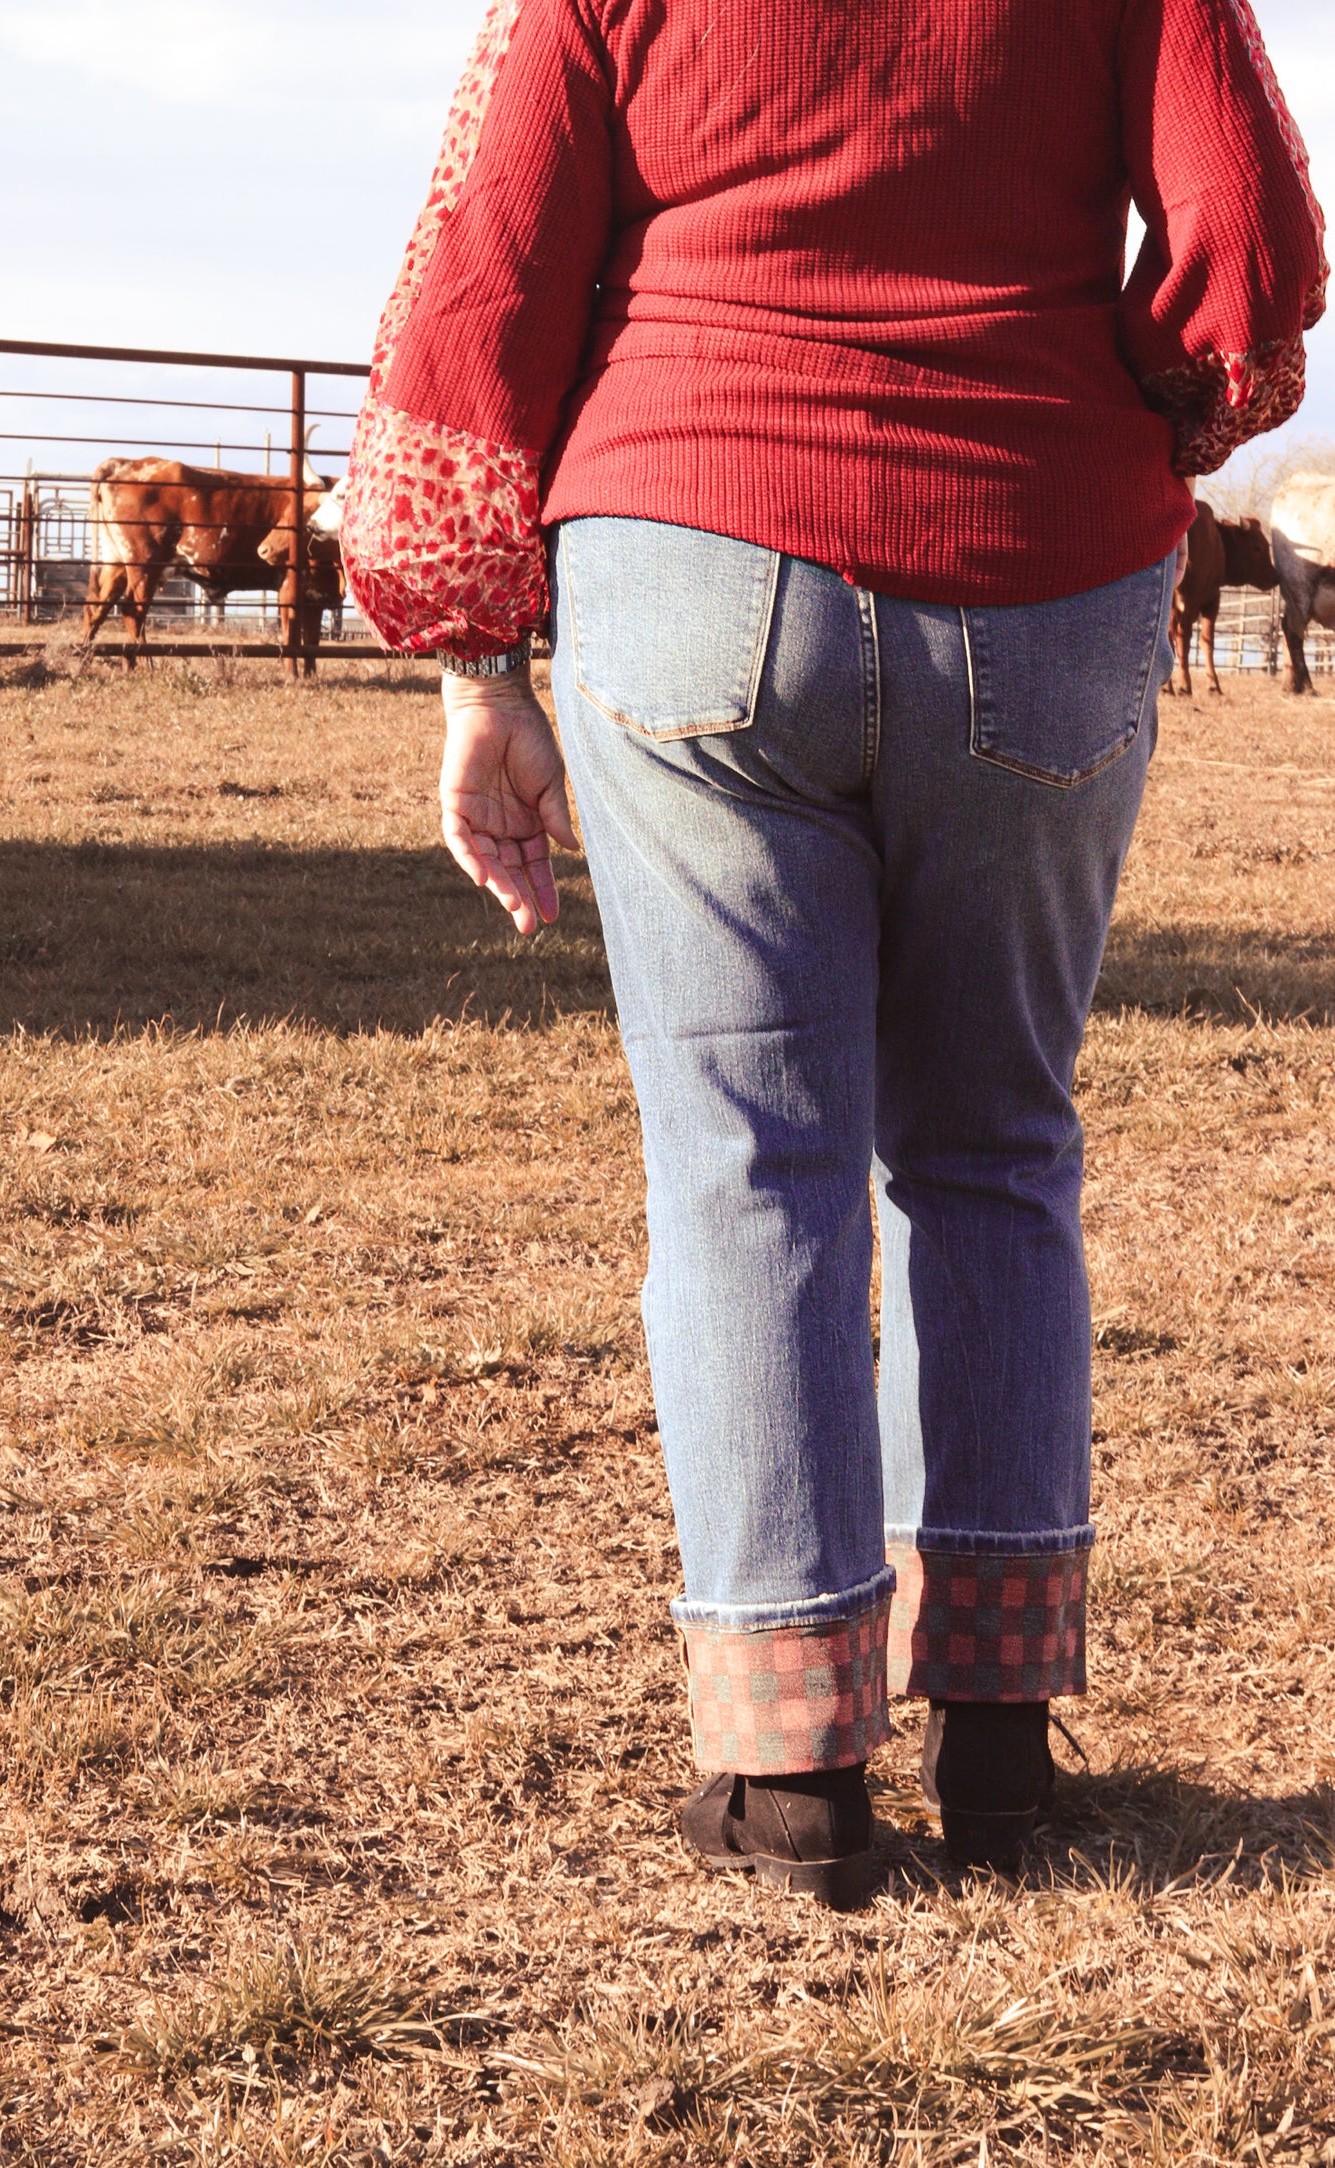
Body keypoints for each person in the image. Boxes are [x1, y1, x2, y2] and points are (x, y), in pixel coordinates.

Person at [342, 0, 1326, 1907]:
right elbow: (1247, 246)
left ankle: (788, 1767)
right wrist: (1123, 400)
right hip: (1036, 554)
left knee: (745, 1164)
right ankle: (994, 1732)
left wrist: (476, 669)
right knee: (993, 1150)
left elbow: (482, 278)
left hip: (690, 536)